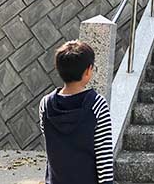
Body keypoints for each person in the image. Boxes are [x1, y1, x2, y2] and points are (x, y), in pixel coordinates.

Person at [39, 40, 113, 184]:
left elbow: (51, 145)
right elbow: (104, 159)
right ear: (88, 71)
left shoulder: (46, 105)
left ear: (58, 68)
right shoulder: (97, 105)